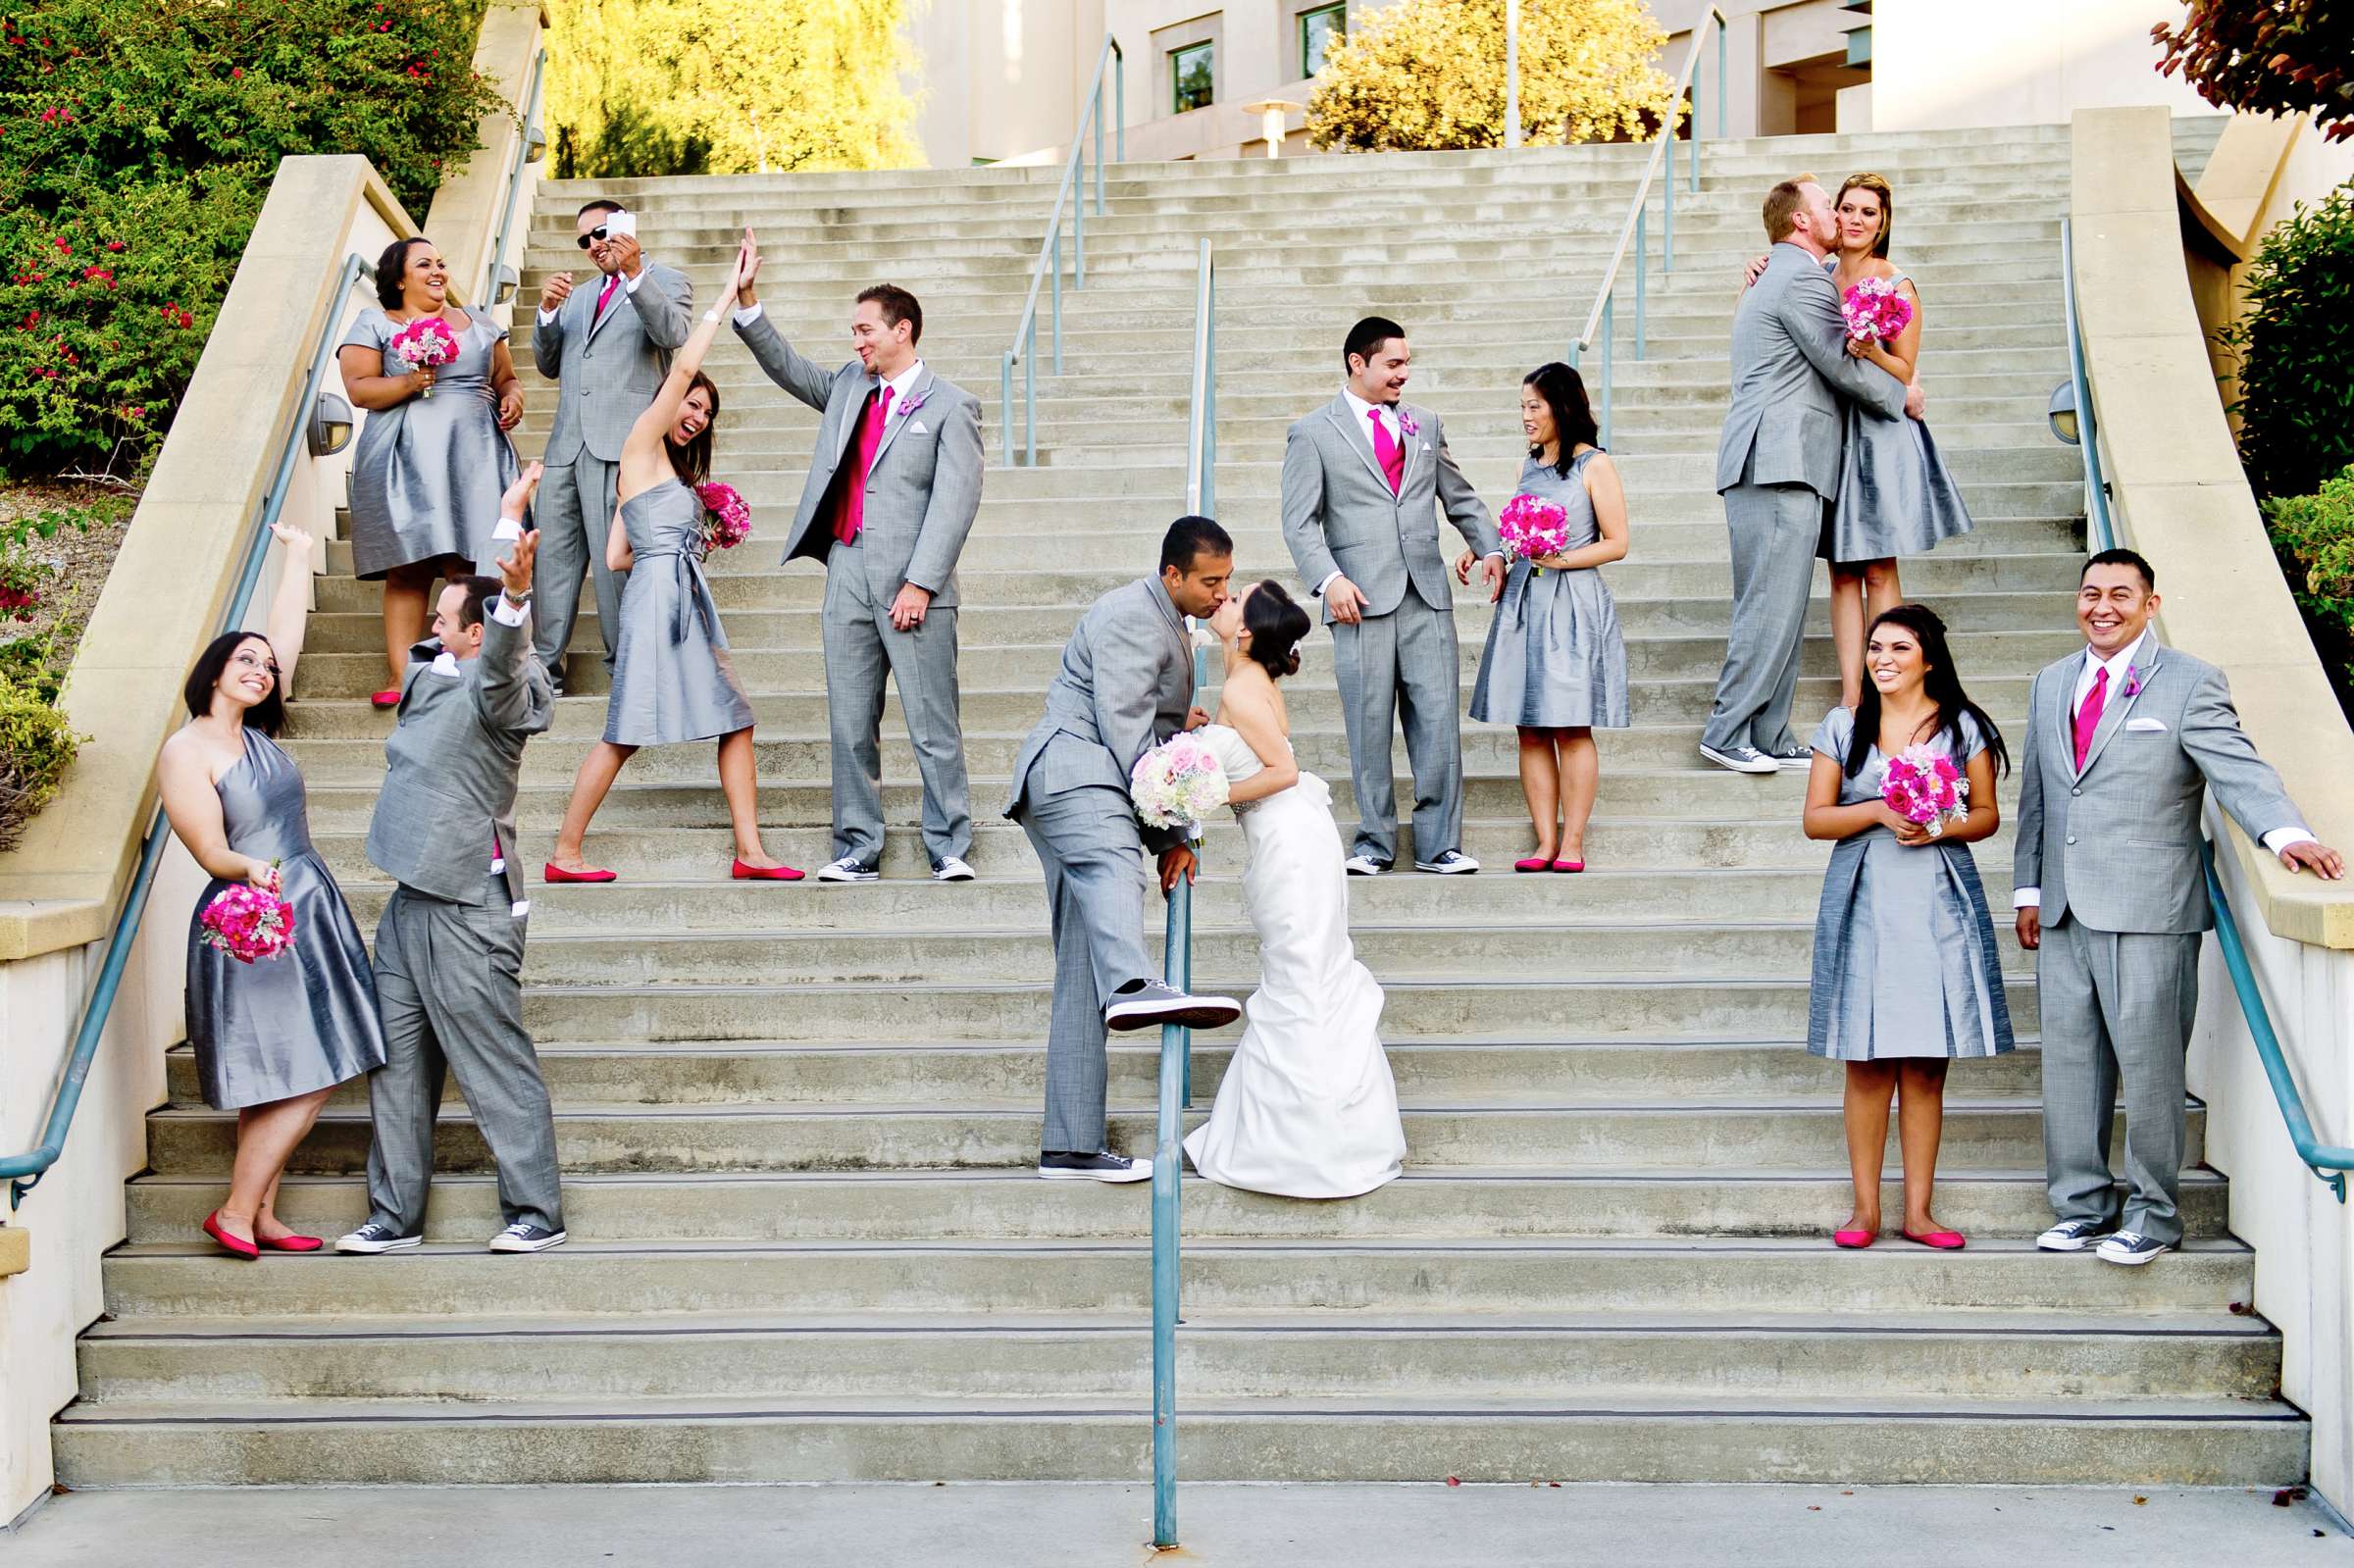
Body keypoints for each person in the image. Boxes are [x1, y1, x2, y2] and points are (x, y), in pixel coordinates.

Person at [2018, 549, 2342, 1266]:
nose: (2103, 606)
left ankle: (2153, 1214)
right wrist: (2029, 890)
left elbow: (2237, 766)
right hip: (2067, 906)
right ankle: (2079, 1206)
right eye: (2091, 592)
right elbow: (2039, 798)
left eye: (2121, 594)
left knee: (2152, 1065)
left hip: (2150, 910)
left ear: (2150, 604)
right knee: (2070, 1066)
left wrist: (2286, 833)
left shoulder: (2189, 682)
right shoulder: (2049, 683)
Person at [336, 471, 566, 1256]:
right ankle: (393, 1215)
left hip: (470, 900)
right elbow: (470, 601)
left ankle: (535, 1210)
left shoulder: (500, 690)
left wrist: (513, 599)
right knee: (397, 1066)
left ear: (477, 633)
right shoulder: (438, 671)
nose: (428, 629)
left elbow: (500, 657)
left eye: (444, 620)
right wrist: (504, 522)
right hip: (408, 899)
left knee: (493, 1061)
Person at [157, 522, 387, 1259]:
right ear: (214, 671)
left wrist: (297, 558)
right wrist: (249, 869)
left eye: (265, 663)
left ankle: (261, 1211)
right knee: (309, 1065)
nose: (260, 668)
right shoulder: (186, 749)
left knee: (297, 1062)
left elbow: (285, 632)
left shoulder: (259, 734)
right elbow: (208, 847)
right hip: (250, 912)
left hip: (306, 897)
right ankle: (236, 1205)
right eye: (244, 660)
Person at [542, 236, 800, 885]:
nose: (695, 413)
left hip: (673, 591)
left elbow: (614, 553)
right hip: (664, 601)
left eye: (705, 412)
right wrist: (728, 292)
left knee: (736, 719)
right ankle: (565, 851)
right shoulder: (640, 442)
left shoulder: (665, 472)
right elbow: (683, 365)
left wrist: (685, 541)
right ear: (666, 398)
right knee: (625, 731)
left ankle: (751, 850)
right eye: (690, 402)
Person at [733, 237, 983, 884]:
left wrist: (921, 583)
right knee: (849, 719)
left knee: (932, 721)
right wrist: (748, 300)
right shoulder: (847, 386)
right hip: (846, 568)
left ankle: (949, 843)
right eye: (853, 331)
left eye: (865, 329)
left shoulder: (951, 405)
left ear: (902, 330)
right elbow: (788, 367)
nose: (856, 342)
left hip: (912, 582)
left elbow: (955, 503)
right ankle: (856, 846)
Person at [1006, 518, 1246, 1183]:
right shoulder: (1131, 616)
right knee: (1114, 859)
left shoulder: (1167, 620)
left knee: (1084, 970)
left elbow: (1151, 724)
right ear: (1172, 573)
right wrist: (1171, 832)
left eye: (1227, 579)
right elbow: (1126, 735)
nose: (1221, 593)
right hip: (1077, 773)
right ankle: (1136, 983)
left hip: (1085, 780)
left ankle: (1071, 1145)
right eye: (1210, 581)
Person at [1182, 581, 1406, 1198]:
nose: (1221, 604)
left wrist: (1207, 794)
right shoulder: (1243, 680)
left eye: (1232, 602)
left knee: (1301, 981)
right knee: (1301, 977)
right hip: (1289, 838)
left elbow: (1280, 773)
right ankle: (1313, 1134)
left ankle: (1312, 1148)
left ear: (1247, 631)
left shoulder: (1240, 684)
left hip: (1291, 845)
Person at [1801, 604, 2014, 1251]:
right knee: (1865, 1063)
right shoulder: (1844, 724)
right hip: (1865, 894)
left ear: (1929, 657)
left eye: (1898, 646)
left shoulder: (1964, 726)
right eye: (1873, 646)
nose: (1882, 658)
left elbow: (1985, 815)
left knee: (1925, 1063)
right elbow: (1815, 819)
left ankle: (1919, 1211)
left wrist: (1938, 826)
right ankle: (1864, 1209)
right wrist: (1873, 809)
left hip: (1936, 898)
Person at [1701, 177, 1908, 775]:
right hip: (1775, 460)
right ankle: (1727, 729)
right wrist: (1903, 392)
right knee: (1768, 603)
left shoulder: (1778, 273)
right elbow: (1842, 363)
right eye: (1827, 208)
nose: (1838, 218)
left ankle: (1767, 731)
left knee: (1785, 604)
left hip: (1782, 460)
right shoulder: (1801, 278)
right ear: (1800, 221)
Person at [1281, 316, 1502, 877]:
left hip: (1426, 593)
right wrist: (1330, 581)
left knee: (1437, 721)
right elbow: (1300, 523)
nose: (1405, 374)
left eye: (1407, 363)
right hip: (1358, 602)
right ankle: (1374, 842)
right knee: (1368, 722)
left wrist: (1492, 547)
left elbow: (1459, 496)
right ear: (1358, 362)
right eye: (1394, 364)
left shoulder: (1424, 423)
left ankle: (1439, 845)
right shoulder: (1313, 432)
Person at [1743, 174, 1970, 709]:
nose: (1855, 220)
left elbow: (1904, 369)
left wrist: (1869, 349)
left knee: (1877, 564)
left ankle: (1887, 683)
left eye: (1869, 212)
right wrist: (1756, 269)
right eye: (1846, 208)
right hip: (1827, 427)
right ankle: (1852, 694)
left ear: (1883, 222)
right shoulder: (1813, 274)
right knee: (1840, 569)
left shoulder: (1897, 285)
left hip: (1878, 433)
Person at [337, 235, 528, 709]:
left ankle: (474, 670)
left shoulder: (480, 323)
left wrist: (512, 397)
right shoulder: (376, 322)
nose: (438, 271)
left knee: (471, 563)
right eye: (424, 264)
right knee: (408, 565)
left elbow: (506, 376)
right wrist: (408, 381)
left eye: (441, 262)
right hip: (404, 455)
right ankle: (404, 676)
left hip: (475, 455)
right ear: (399, 278)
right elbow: (359, 389)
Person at [1467, 363, 1630, 873]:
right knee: (1530, 727)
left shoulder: (1594, 465)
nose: (1526, 417)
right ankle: (1543, 841)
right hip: (1524, 602)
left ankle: (1573, 842)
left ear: (1562, 406)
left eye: (1534, 406)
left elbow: (1617, 543)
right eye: (1522, 407)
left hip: (1573, 602)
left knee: (1571, 726)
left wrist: (1557, 558)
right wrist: (1488, 553)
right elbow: (1513, 536)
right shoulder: (1527, 467)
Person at [531, 199, 694, 695]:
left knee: (614, 565)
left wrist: (634, 273)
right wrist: (546, 313)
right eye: (583, 240)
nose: (593, 245)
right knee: (552, 563)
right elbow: (550, 366)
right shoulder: (578, 297)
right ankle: (543, 671)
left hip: (622, 448)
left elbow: (674, 334)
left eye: (601, 232)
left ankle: (627, 667)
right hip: (566, 447)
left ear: (626, 227)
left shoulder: (666, 279)